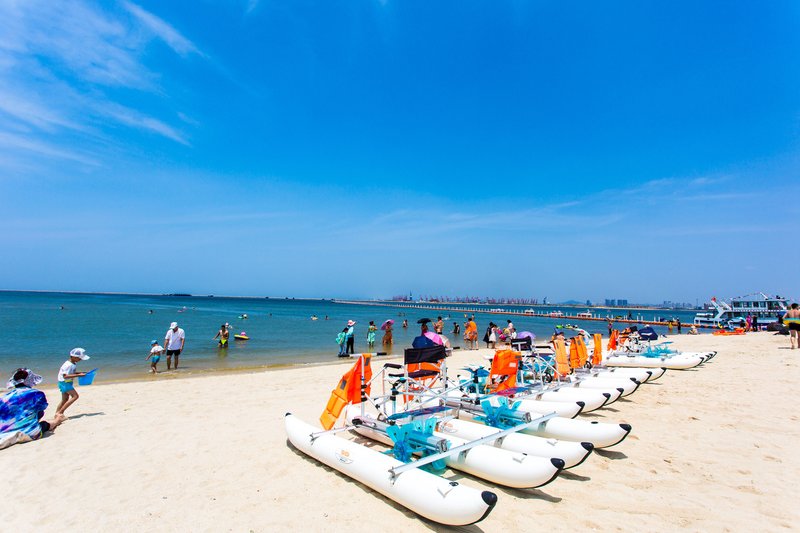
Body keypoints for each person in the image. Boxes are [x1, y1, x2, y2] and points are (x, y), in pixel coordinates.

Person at [1, 369, 65, 450]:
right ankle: (57, 420)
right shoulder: (36, 393)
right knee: (46, 424)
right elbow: (41, 410)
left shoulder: (3, 398)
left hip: (4, 431)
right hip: (31, 432)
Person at [55, 348, 90, 417]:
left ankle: (57, 414)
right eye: (79, 358)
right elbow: (65, 376)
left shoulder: (73, 363)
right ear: (73, 357)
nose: (80, 360)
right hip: (64, 382)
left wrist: (81, 373)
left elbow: (71, 373)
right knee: (75, 396)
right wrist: (78, 375)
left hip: (66, 382)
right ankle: (60, 413)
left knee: (65, 399)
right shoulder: (68, 365)